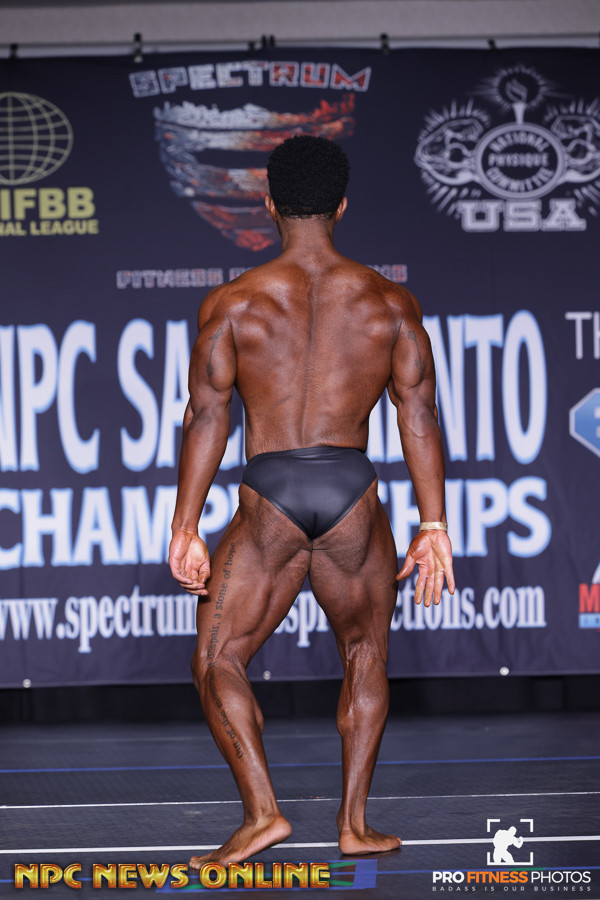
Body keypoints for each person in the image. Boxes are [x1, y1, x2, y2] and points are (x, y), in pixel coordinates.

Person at [168, 135, 455, 868]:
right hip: (351, 488)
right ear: (342, 207)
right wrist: (433, 524)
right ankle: (354, 825)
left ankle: (262, 814)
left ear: (267, 205)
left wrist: (185, 525)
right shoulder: (389, 301)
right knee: (366, 653)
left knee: (218, 657)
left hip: (272, 491)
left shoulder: (234, 302)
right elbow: (418, 415)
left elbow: (207, 417)